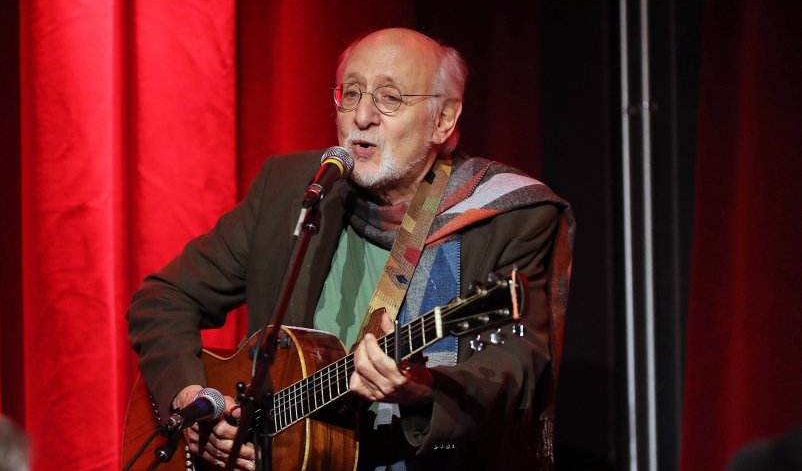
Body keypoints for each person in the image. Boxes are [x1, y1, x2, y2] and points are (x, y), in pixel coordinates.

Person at [127, 27, 574, 470]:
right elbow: (164, 299)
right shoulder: (293, 190)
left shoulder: (507, 213)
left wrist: (421, 388)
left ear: (444, 119)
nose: (362, 116)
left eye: (390, 98)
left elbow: (516, 373)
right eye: (352, 93)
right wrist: (190, 400)